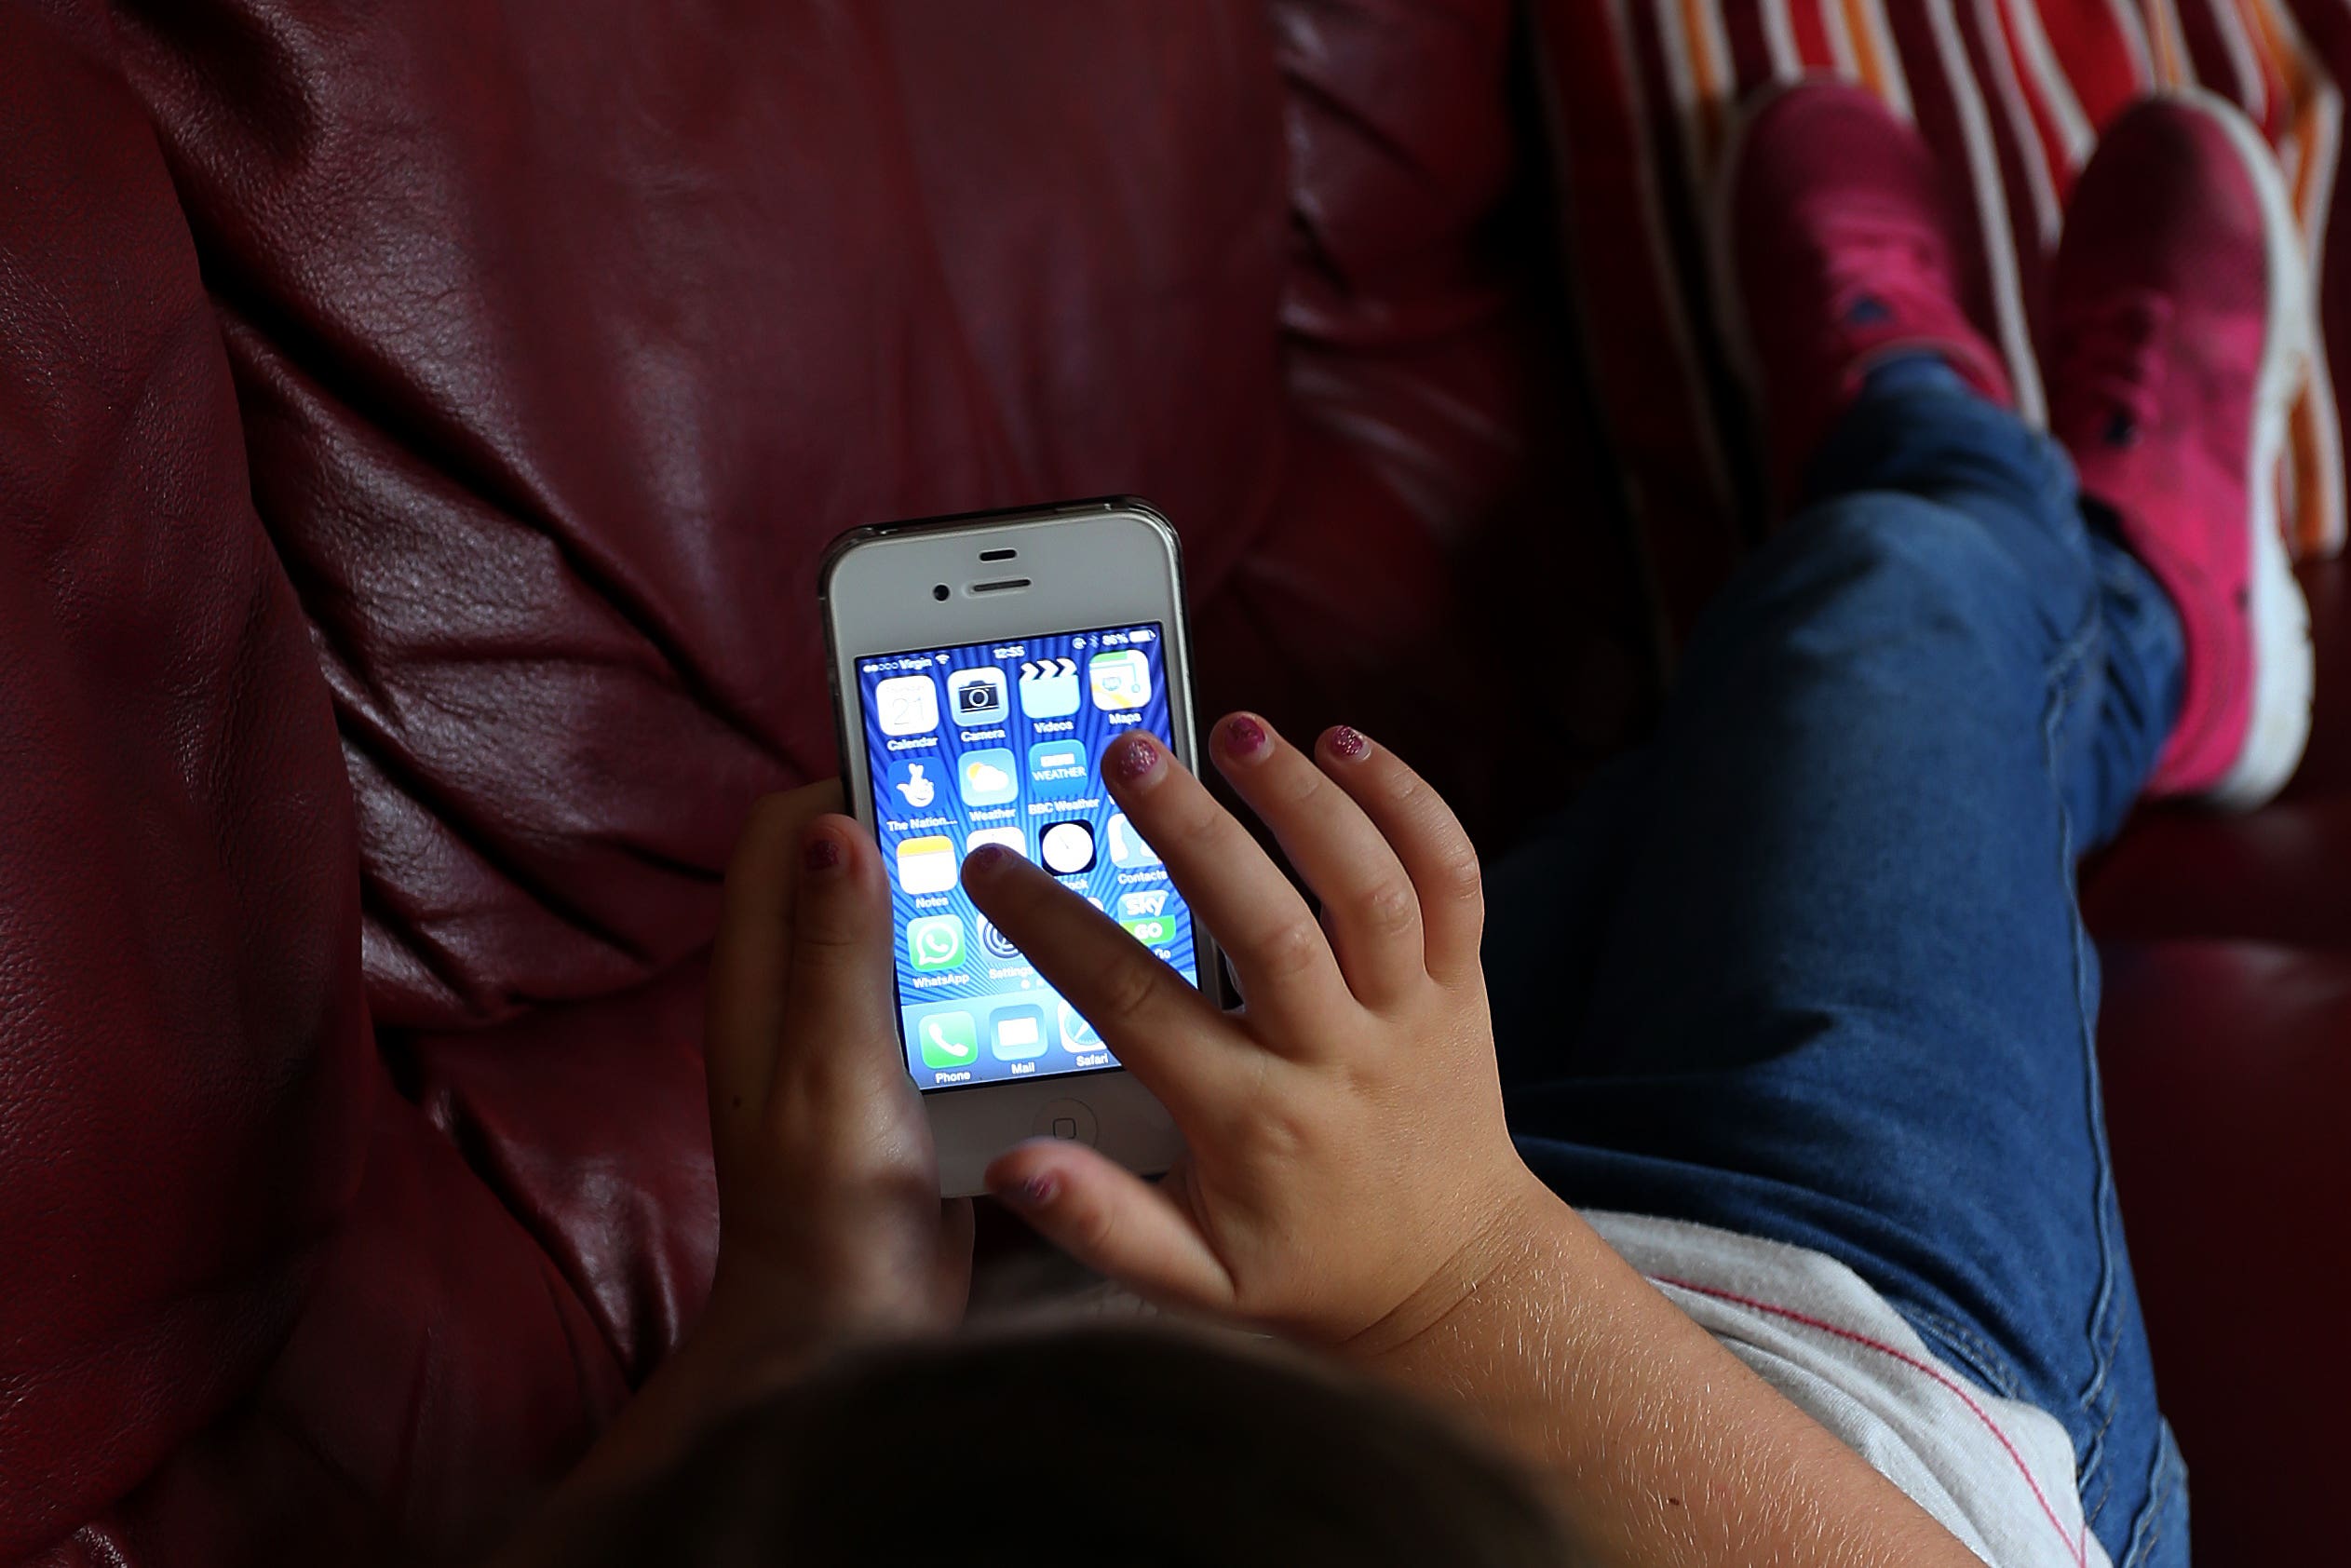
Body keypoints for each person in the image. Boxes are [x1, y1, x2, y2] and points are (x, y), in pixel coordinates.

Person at [491, 83, 2306, 1568]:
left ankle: (2009, 545)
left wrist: (815, 1315)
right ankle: (2065, 533)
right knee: (1894, 592)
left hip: (1303, 1191)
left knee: (1720, 751)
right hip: (1812, 1369)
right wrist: (1457, 1266)